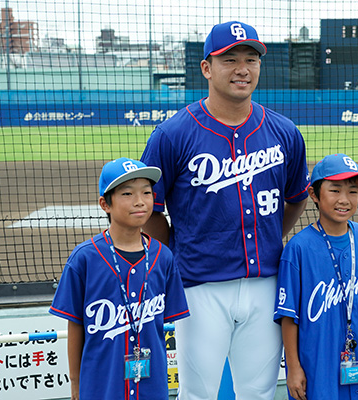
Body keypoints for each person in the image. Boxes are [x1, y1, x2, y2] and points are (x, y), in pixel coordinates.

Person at [140, 21, 310, 399]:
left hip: (267, 283)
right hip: (200, 288)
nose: (242, 69)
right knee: (198, 393)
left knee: (260, 392)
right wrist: (178, 246)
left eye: (251, 59)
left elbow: (296, 196)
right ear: (206, 68)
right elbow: (146, 207)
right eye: (229, 59)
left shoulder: (284, 132)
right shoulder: (173, 134)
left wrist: (271, 234)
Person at [49, 157, 190, 400]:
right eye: (127, 194)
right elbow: (75, 326)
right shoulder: (84, 259)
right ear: (105, 204)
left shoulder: (163, 257)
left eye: (146, 192)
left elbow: (168, 325)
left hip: (152, 387)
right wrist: (76, 385)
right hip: (101, 387)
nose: (139, 201)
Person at [274, 153, 358, 400]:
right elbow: (288, 316)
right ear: (314, 194)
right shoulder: (298, 248)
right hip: (319, 359)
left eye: (353, 191)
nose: (344, 200)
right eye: (334, 190)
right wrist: (293, 367)